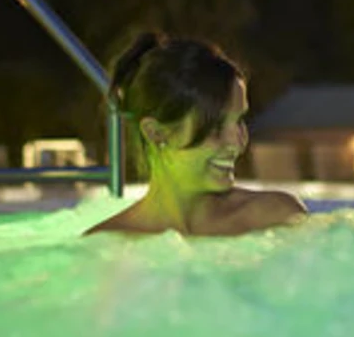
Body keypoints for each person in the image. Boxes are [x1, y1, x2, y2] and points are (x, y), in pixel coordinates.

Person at [82, 32, 307, 236]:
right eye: (216, 125)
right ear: (156, 133)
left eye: (239, 120)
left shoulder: (276, 218)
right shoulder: (108, 247)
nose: (237, 142)